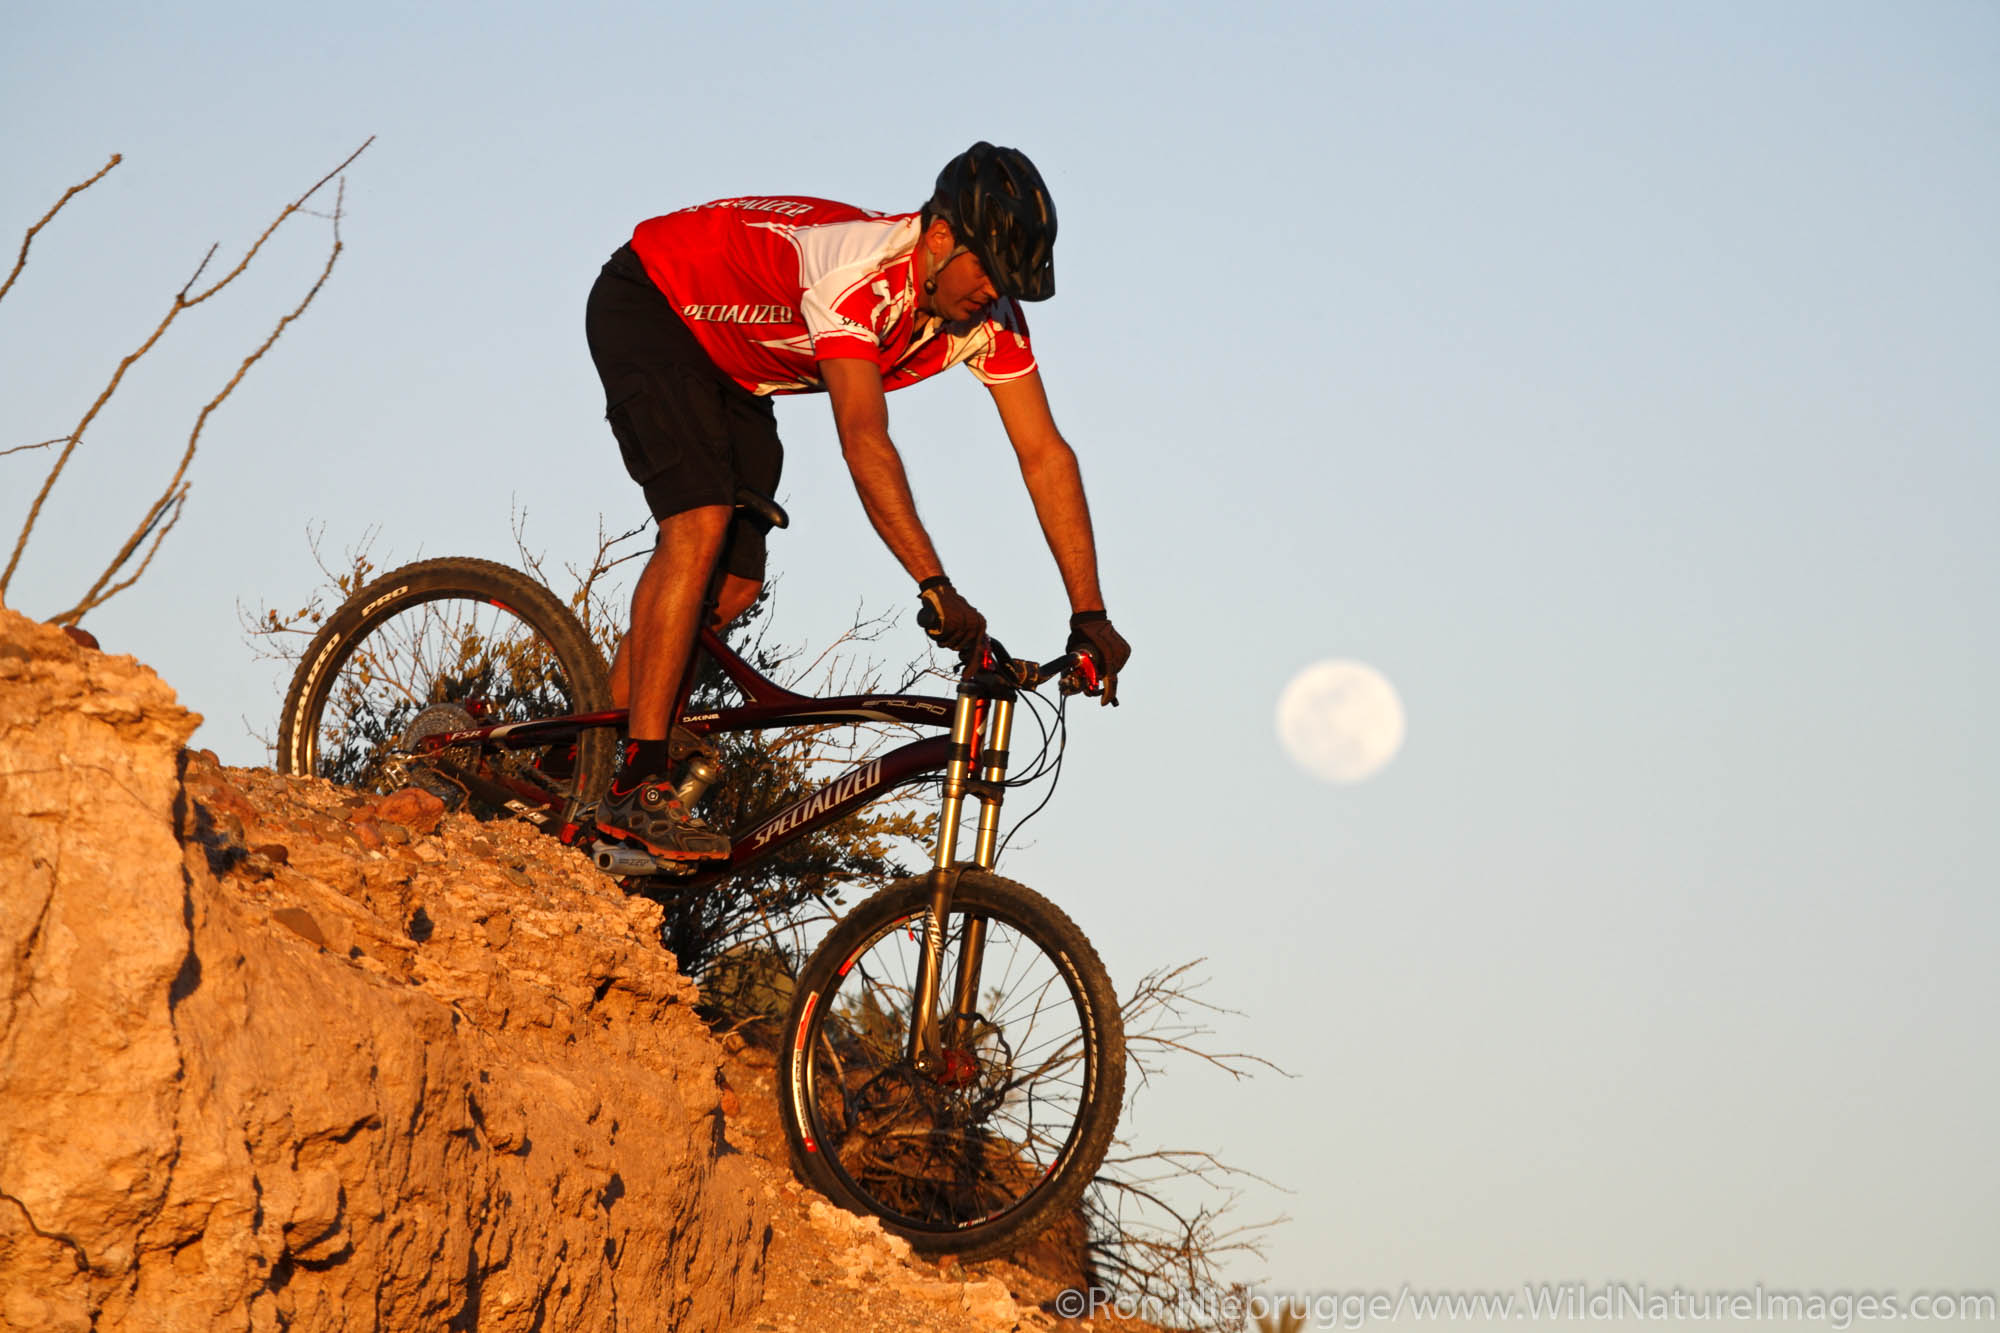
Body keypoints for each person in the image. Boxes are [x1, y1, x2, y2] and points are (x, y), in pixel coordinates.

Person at [585, 142, 1130, 861]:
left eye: (1011, 283)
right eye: (991, 273)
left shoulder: (988, 318)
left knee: (738, 581)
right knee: (700, 520)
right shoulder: (858, 277)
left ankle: (587, 755)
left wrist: (1089, 612)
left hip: (737, 363)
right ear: (940, 237)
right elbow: (864, 440)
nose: (995, 294)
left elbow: (1045, 455)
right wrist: (935, 585)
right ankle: (635, 782)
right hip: (654, 301)